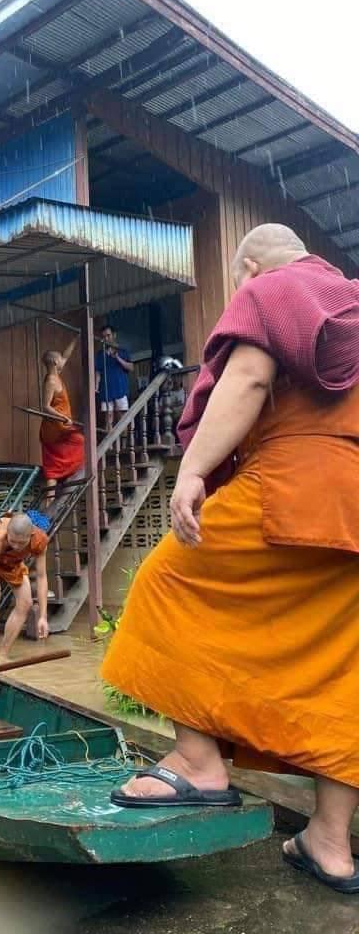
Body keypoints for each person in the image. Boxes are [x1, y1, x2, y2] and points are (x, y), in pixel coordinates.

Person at [101, 224, 359, 894]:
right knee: (340, 669)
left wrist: (193, 470)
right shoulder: (352, 305)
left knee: (165, 583)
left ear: (249, 267)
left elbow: (246, 376)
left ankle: (198, 760)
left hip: (288, 483)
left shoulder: (276, 289)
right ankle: (329, 844)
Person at [0, 513, 49, 667]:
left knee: (26, 602)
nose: (16, 546)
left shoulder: (40, 541)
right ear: (7, 533)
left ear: (31, 536)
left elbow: (42, 577)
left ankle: (3, 654)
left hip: (13, 562)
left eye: (21, 543)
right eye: (12, 541)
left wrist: (42, 616)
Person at [40, 336, 85, 503]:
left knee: (52, 468)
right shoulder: (51, 381)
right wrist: (63, 417)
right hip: (55, 428)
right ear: (54, 363)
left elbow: (66, 356)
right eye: (59, 358)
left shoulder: (57, 373)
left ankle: (49, 506)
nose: (62, 360)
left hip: (61, 425)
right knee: (80, 442)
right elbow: (45, 407)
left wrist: (76, 337)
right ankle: (70, 477)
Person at [95, 323, 133, 433]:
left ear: (114, 335)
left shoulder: (123, 351)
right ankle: (110, 447)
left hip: (120, 389)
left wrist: (117, 358)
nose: (106, 338)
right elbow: (98, 372)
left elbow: (131, 367)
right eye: (104, 337)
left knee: (122, 418)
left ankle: (123, 445)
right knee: (108, 419)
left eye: (108, 335)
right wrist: (96, 387)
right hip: (106, 391)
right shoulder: (100, 354)